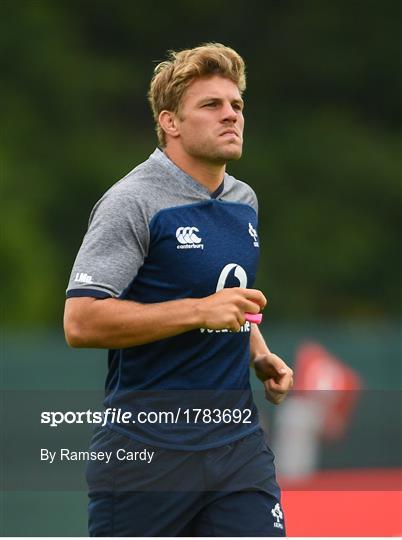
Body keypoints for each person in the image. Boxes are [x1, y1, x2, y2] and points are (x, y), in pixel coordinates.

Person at [64, 42, 293, 537]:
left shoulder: (244, 200)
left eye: (236, 106)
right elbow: (80, 322)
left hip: (238, 448)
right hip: (147, 457)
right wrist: (198, 312)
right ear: (170, 122)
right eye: (211, 105)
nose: (230, 116)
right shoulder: (132, 201)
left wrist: (257, 349)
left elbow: (223, 298)